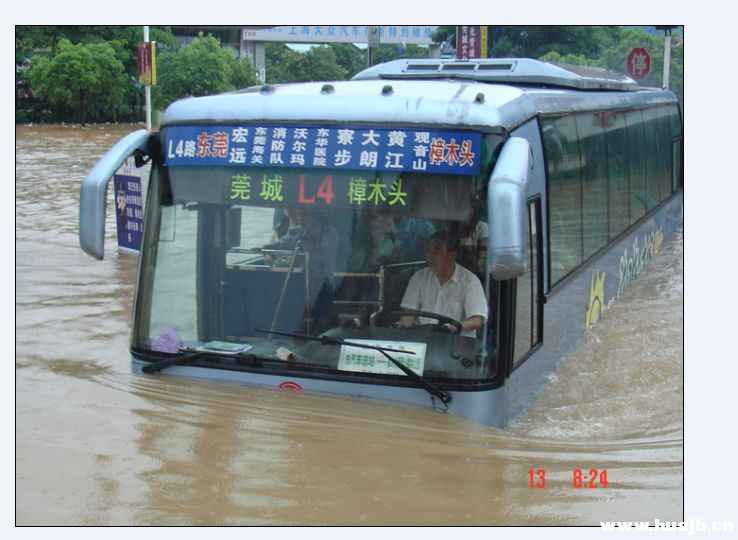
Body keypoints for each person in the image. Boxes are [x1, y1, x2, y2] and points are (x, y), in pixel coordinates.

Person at [399, 230, 487, 337]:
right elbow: (408, 313)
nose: (430, 255)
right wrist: (406, 328)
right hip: (423, 339)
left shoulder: (470, 281)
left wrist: (454, 327)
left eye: (437, 250)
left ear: (451, 255)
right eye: (428, 250)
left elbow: (477, 320)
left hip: (456, 342)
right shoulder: (418, 277)